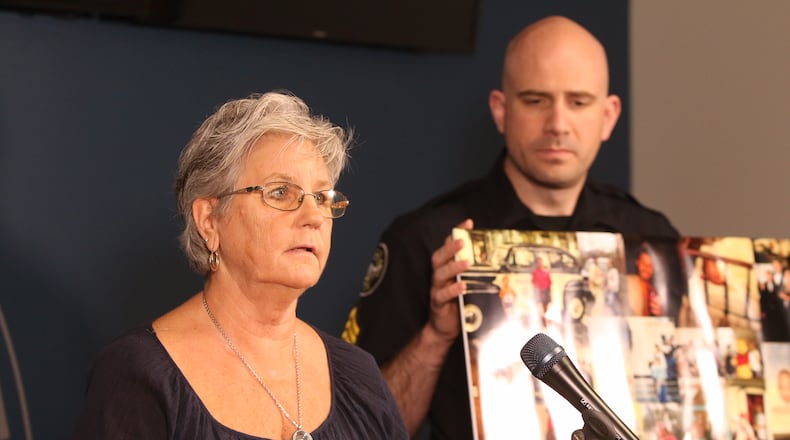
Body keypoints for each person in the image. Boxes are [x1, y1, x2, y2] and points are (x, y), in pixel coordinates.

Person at [342, 15, 679, 439]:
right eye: (536, 100)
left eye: (578, 102)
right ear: (501, 111)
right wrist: (435, 336)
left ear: (609, 116)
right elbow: (364, 430)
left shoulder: (651, 239)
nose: (558, 123)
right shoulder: (427, 240)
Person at [72, 92, 408, 439]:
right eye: (280, 193)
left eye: (322, 197)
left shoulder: (360, 375)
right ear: (210, 221)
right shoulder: (139, 375)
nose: (313, 217)